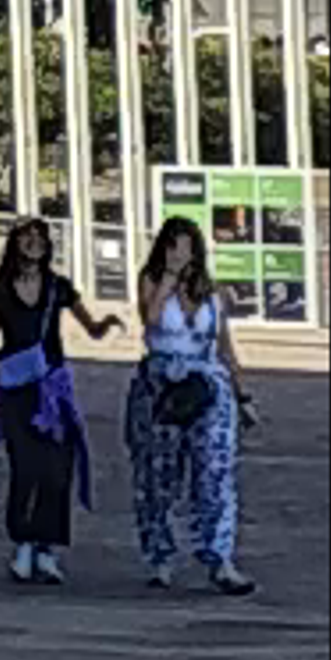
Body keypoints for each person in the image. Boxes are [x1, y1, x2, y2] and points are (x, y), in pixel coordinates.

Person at [0, 216, 115, 584]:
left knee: (57, 469)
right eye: (26, 237)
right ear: (14, 243)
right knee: (25, 466)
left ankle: (47, 548)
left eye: (39, 238)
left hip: (53, 388)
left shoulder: (58, 287)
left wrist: (105, 326)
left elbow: (90, 327)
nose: (33, 243)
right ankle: (23, 541)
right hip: (16, 389)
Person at [125, 217, 254, 597]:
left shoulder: (211, 292)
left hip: (205, 380)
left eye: (185, 247)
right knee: (157, 475)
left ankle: (219, 556)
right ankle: (160, 555)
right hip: (161, 380)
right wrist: (166, 281)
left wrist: (242, 393)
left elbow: (224, 345)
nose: (178, 254)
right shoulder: (151, 281)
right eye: (171, 245)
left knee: (215, 472)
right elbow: (148, 322)